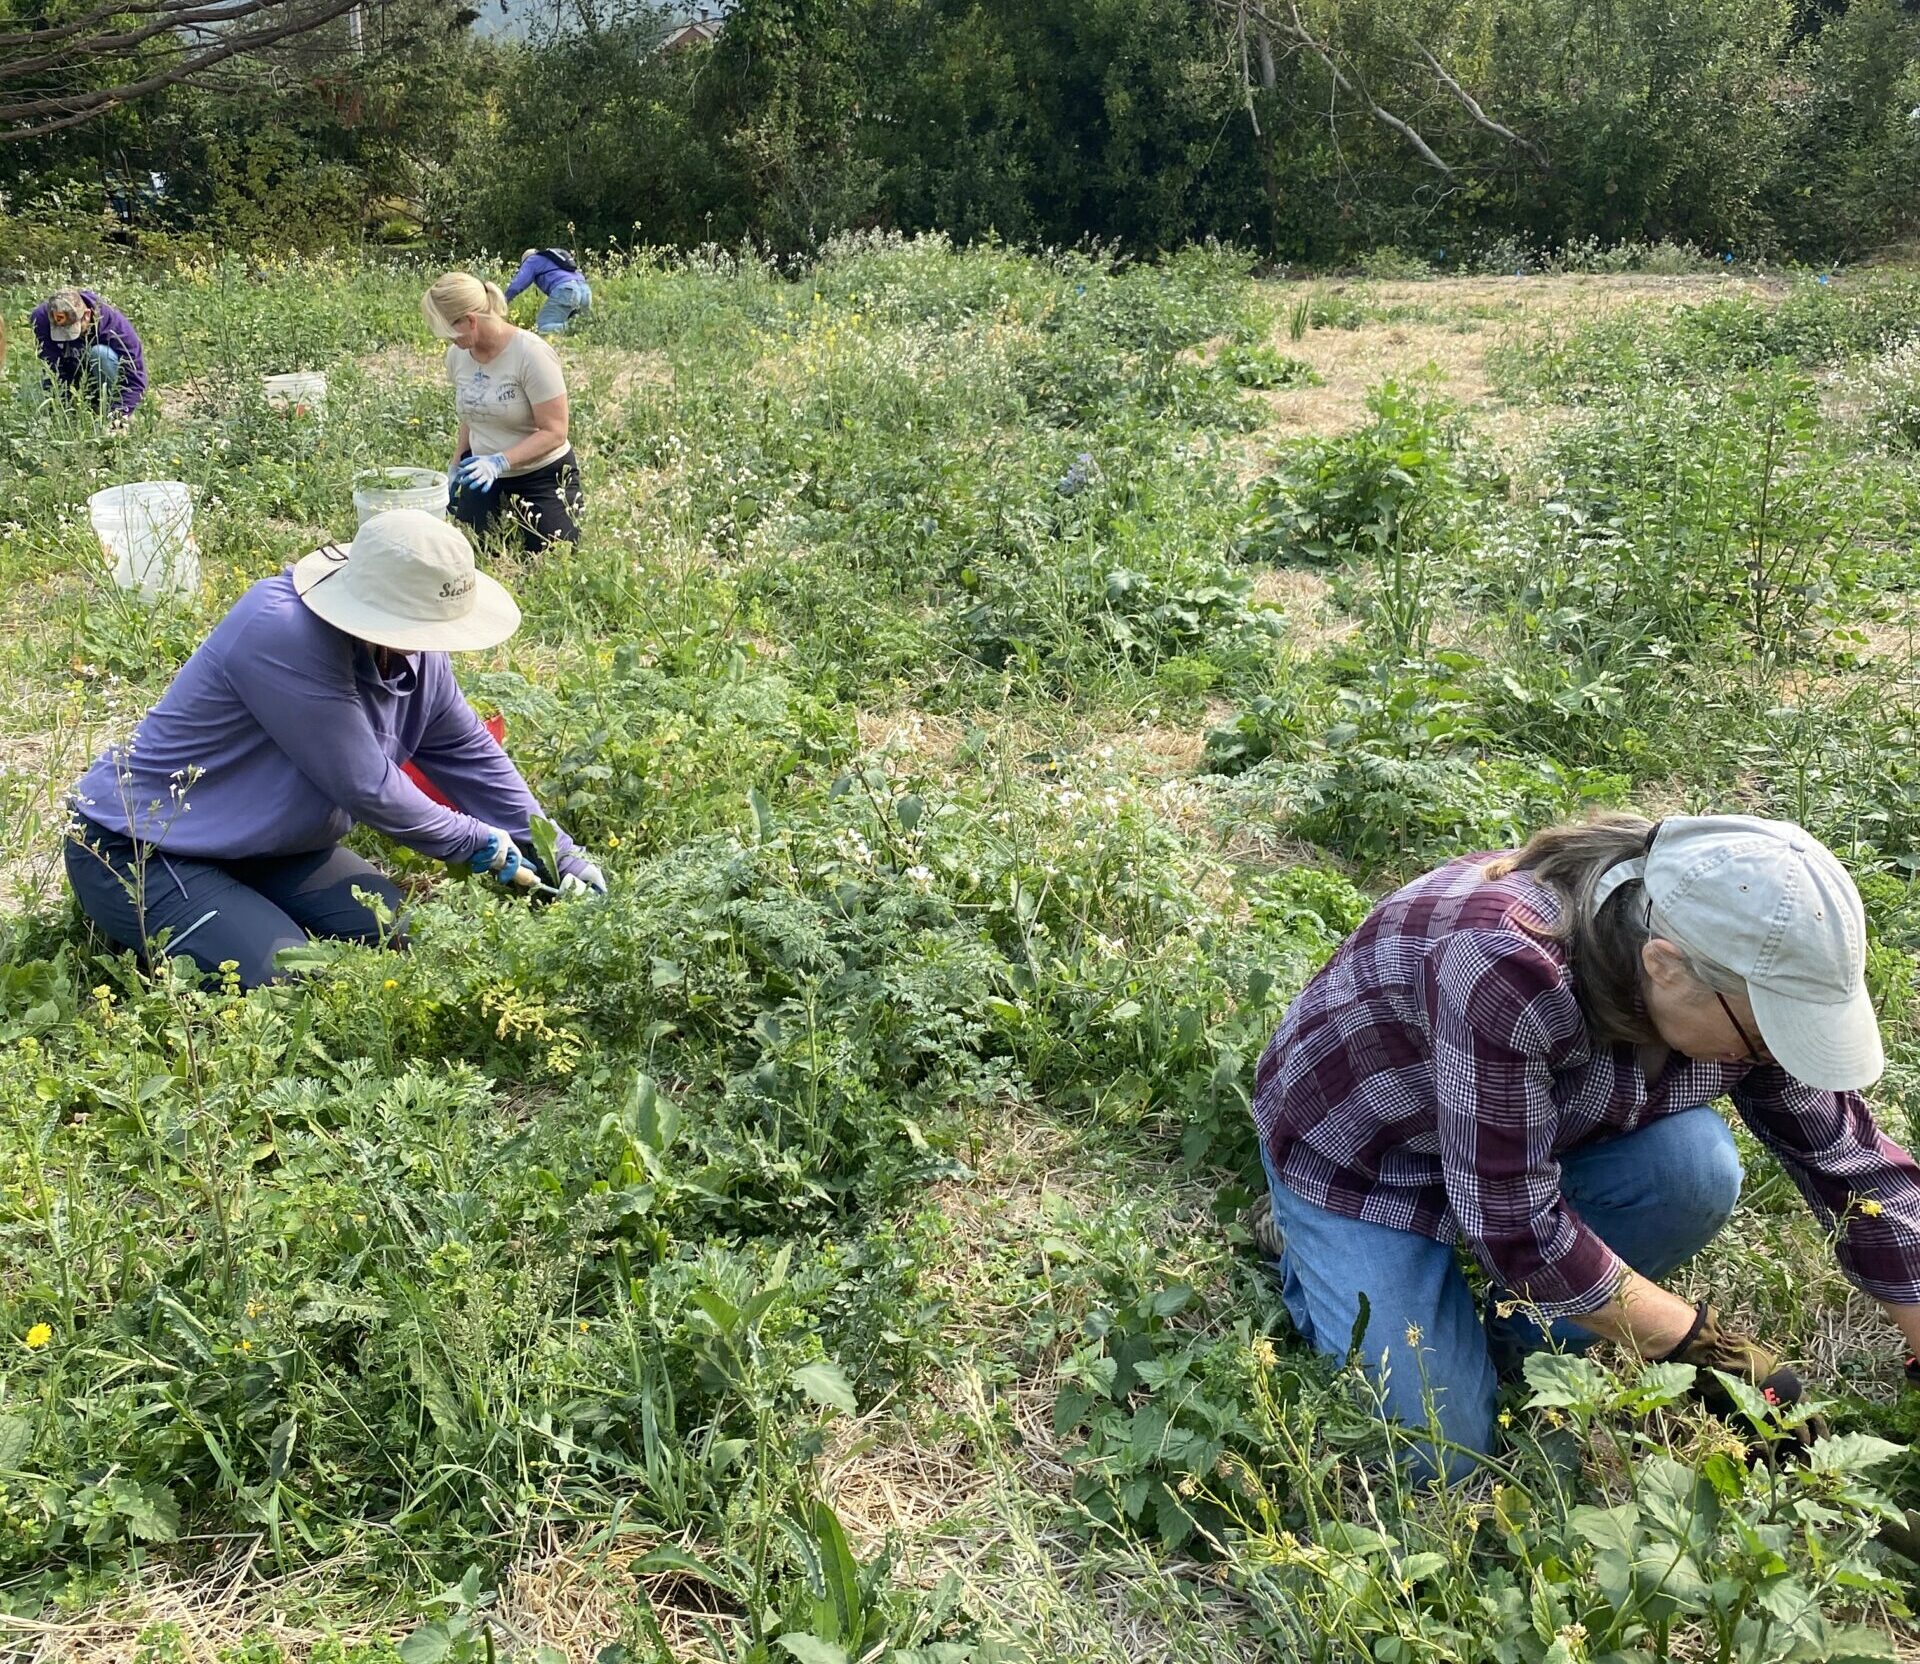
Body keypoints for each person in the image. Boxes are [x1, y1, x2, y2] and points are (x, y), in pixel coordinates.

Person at [1250, 813, 1920, 1481]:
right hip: (1370, 1153)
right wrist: (1703, 1348)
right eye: (1763, 1034)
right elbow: (1517, 1228)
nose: (1777, 1055)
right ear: (1665, 966)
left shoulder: (1731, 977)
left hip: (1527, 1129)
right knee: (1436, 1453)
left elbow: (1851, 1166)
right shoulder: (1503, 961)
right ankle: (1301, 1239)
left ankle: (1519, 1338)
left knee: (1696, 1170)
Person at [65, 509, 606, 990]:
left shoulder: (417, 651)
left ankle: (242, 910)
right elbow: (366, 785)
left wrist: (559, 853)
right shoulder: (283, 632)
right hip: (147, 846)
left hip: (275, 849)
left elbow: (469, 754)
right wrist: (471, 839)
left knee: (408, 934)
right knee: (285, 975)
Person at [422, 271, 582, 553]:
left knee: (553, 553)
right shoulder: (458, 356)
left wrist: (500, 462)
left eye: (450, 333)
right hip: (483, 474)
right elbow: (471, 413)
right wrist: (458, 462)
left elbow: (555, 432)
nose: (449, 342)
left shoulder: (531, 354)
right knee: (469, 548)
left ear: (471, 321)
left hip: (541, 474)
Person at [32, 287, 147, 419]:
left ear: (87, 315)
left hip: (106, 380)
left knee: (100, 354)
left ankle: (111, 407)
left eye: (71, 330)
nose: (66, 337)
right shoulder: (41, 318)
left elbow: (136, 380)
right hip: (73, 380)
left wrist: (120, 415)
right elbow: (50, 366)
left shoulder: (116, 326)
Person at [504, 247, 592, 336]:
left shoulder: (532, 259)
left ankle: (577, 328)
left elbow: (519, 283)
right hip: (585, 290)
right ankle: (587, 329)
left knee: (543, 327)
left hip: (566, 290)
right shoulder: (553, 259)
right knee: (578, 323)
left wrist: (504, 299)